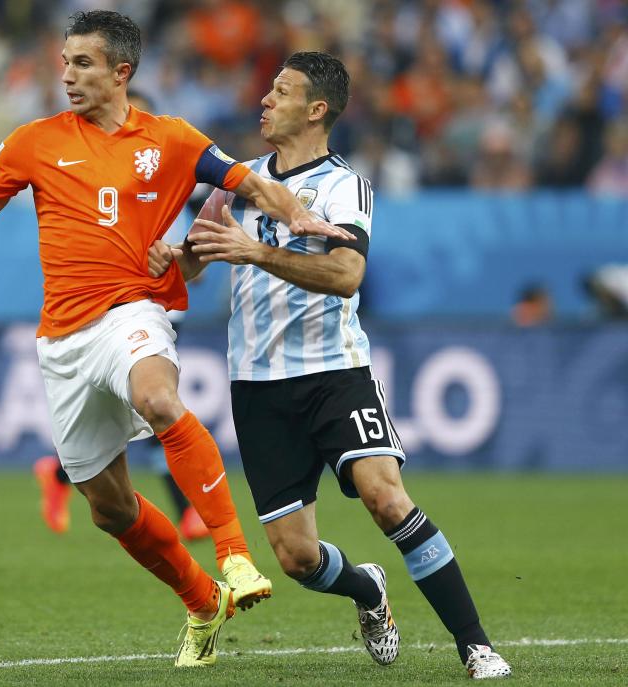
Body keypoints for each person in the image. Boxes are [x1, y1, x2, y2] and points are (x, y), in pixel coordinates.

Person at [0, 11, 354, 667]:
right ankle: (201, 600)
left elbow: (252, 182)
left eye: (83, 64)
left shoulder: (169, 139)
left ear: (121, 72)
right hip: (63, 341)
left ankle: (234, 557)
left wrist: (301, 213)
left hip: (133, 309)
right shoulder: (32, 142)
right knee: (109, 509)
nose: (68, 76)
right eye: (64, 63)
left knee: (161, 400)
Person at [148, 52, 512, 679]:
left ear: (316, 110)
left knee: (385, 498)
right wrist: (170, 257)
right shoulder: (240, 180)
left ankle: (476, 644)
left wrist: (255, 252)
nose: (264, 100)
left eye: (280, 91)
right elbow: (196, 260)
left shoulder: (345, 186)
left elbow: (347, 275)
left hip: (333, 373)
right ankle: (368, 590)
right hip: (256, 385)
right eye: (267, 89)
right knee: (294, 558)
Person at [32, 89, 208, 543]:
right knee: (153, 412)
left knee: (151, 416)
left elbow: (196, 271)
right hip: (121, 318)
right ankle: (190, 512)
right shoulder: (101, 185)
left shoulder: (179, 184)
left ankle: (57, 473)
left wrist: (180, 258)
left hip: (166, 319)